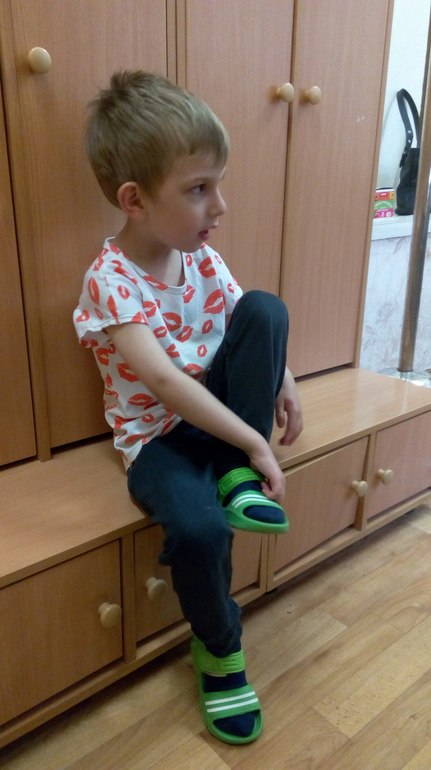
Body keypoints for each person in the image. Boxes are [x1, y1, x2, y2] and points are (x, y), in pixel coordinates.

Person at [74, 71, 303, 745]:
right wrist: (255, 445)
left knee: (265, 307)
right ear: (135, 200)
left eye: (218, 184)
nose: (219, 206)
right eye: (200, 189)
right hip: (159, 441)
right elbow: (166, 384)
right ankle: (219, 650)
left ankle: (233, 473)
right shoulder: (110, 280)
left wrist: (285, 379)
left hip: (218, 422)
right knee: (200, 532)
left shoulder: (202, 259)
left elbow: (246, 323)